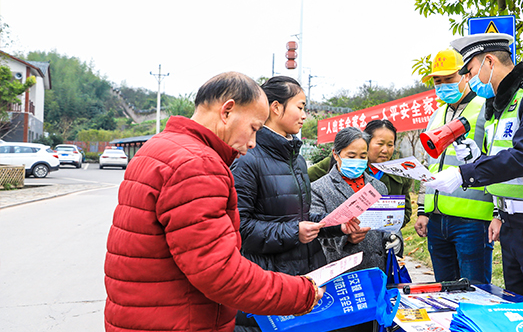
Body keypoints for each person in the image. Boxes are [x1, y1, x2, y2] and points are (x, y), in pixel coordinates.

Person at [104, 72, 325, 332]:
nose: (253, 143)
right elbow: (219, 271)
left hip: (142, 314)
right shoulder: (198, 164)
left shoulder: (157, 148)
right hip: (179, 319)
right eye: (254, 128)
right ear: (227, 111)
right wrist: (300, 293)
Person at [425, 33, 523, 304]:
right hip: (512, 226)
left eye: (470, 71)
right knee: (519, 310)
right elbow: (500, 158)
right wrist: (476, 157)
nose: (470, 79)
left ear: (489, 61)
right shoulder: (496, 104)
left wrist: (464, 173)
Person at [230, 76, 363, 332]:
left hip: (306, 274)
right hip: (270, 280)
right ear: (277, 108)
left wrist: (336, 226)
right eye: (300, 107)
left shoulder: (297, 160)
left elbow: (300, 218)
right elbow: (239, 228)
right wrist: (294, 232)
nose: (305, 115)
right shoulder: (248, 160)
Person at [415, 48, 494, 284]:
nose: (442, 86)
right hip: (437, 220)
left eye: (449, 79)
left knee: (475, 292)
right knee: (443, 292)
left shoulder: (485, 109)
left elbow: (498, 160)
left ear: (466, 76)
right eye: (437, 81)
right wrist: (422, 210)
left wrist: (498, 212)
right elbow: (430, 167)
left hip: (472, 221)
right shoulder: (437, 114)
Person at [309, 120, 415, 228]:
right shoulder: (340, 162)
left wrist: (390, 228)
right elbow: (305, 179)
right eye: (380, 144)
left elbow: (404, 212)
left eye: (390, 145)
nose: (385, 150)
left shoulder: (399, 174)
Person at [311, 126, 386, 271]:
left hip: (377, 266)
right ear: (335, 154)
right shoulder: (319, 188)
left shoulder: (379, 187)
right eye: (351, 156)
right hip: (341, 268)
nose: (357, 161)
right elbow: (318, 231)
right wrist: (346, 239)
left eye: (363, 156)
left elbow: (386, 222)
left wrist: (394, 237)